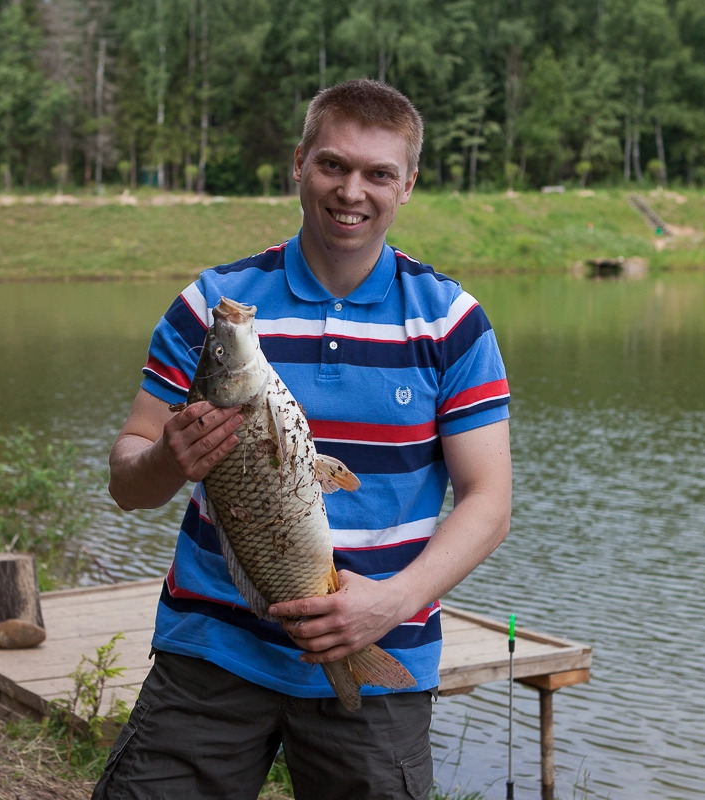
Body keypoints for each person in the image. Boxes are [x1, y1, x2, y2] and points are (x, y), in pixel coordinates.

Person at [94, 78, 512, 800]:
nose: (352, 190)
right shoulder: (210, 304)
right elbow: (128, 480)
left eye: (378, 173)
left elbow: (489, 503)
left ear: (407, 184)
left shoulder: (451, 321)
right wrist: (167, 457)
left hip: (380, 645)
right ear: (298, 163)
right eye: (333, 165)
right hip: (214, 652)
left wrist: (391, 602)